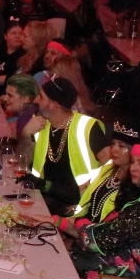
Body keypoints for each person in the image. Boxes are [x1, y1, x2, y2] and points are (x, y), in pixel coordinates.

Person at [69, 143, 140, 277]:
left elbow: (100, 241)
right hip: (108, 264)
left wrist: (78, 223)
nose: (133, 168)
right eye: (132, 162)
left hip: (120, 277)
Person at [27, 77, 108, 218]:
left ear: (54, 105)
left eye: (41, 96)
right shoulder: (41, 125)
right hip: (43, 197)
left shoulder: (88, 127)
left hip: (77, 204)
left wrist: (92, 191)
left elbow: (110, 165)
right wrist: (25, 134)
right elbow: (21, 161)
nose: (36, 100)